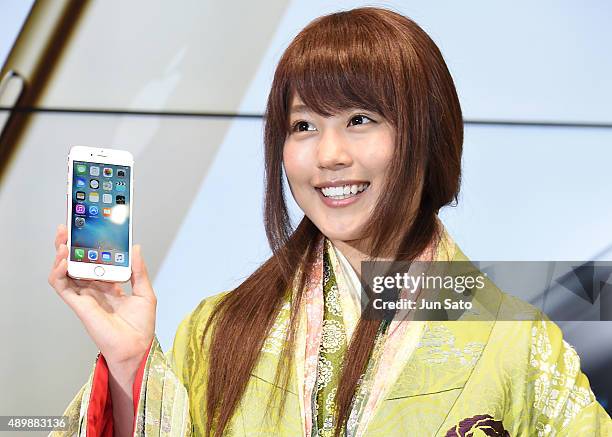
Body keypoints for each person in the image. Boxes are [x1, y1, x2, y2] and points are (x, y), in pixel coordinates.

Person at [48, 7, 611, 437]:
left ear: (427, 135)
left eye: (360, 119)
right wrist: (128, 363)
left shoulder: (520, 344)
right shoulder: (217, 330)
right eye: (303, 126)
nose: (328, 155)